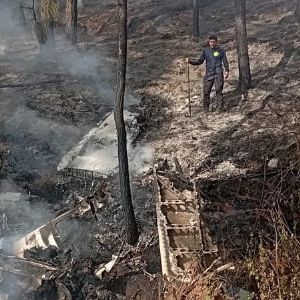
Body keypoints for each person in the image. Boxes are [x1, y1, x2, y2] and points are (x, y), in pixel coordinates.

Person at [187, 35, 229, 112]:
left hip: (218, 73)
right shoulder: (206, 51)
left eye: (214, 42)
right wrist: (190, 61)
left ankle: (219, 108)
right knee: (206, 91)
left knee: (218, 90)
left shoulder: (221, 51)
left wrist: (227, 71)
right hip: (209, 73)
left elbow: (225, 61)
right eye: (211, 42)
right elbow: (200, 61)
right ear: (209, 42)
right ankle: (205, 109)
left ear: (216, 42)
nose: (212, 43)